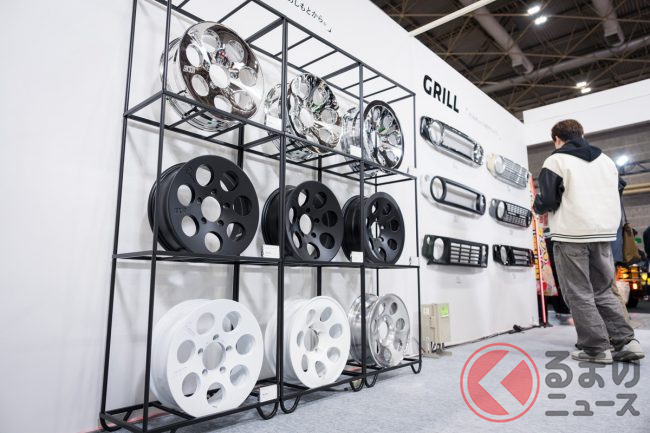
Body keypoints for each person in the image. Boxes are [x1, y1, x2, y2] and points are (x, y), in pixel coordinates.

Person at [533, 119, 644, 363]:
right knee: (604, 290)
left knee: (578, 292)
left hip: (571, 234)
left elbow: (548, 200)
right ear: (581, 135)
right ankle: (626, 341)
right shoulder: (606, 161)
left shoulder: (556, 160)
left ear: (557, 139)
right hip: (603, 234)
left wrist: (537, 206)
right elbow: (618, 189)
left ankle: (595, 348)